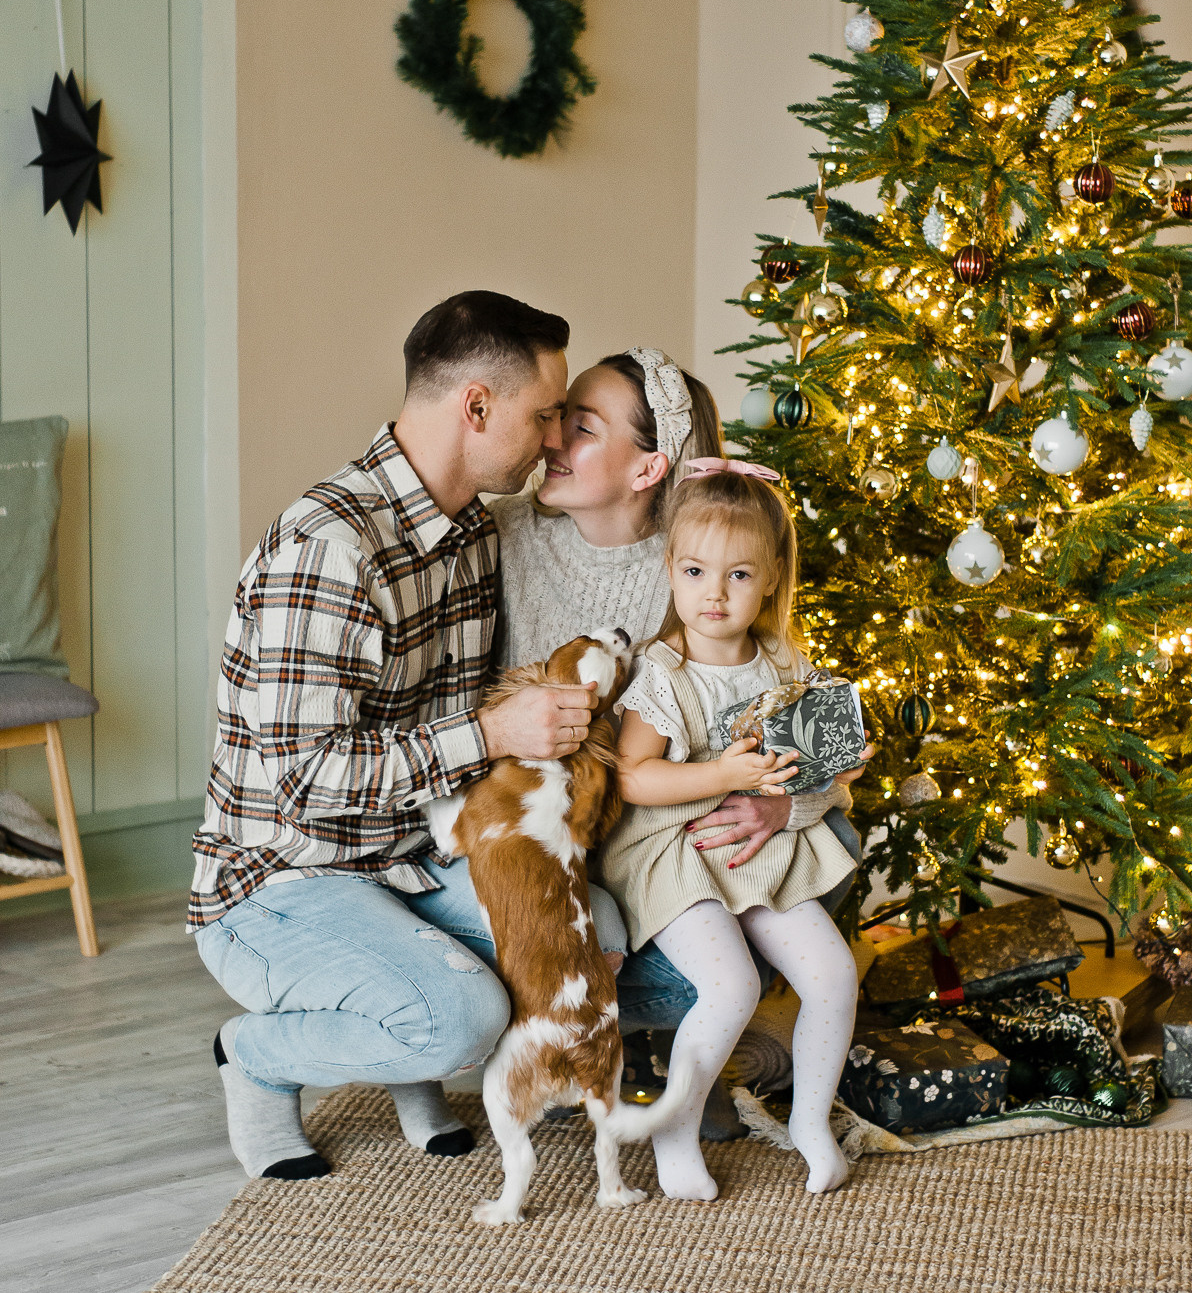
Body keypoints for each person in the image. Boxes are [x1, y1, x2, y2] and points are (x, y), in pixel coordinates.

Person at [190, 291, 608, 1179]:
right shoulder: (328, 547)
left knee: (594, 925)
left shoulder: (469, 534)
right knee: (459, 1025)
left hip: (404, 858)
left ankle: (411, 1043)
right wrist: (490, 731)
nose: (551, 442)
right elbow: (305, 783)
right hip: (279, 881)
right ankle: (254, 1059)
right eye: (542, 417)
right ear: (477, 407)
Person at [482, 349, 863, 1136]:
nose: (549, 439)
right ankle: (599, 1045)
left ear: (649, 465)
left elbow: (797, 719)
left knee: (826, 839)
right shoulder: (502, 537)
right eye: (555, 419)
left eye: (578, 427)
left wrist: (781, 803)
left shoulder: (706, 563)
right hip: (572, 827)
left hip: (681, 823)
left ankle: (691, 1049)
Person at [600, 461, 867, 1202]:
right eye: (695, 570)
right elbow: (633, 777)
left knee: (833, 974)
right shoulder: (664, 673)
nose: (714, 593)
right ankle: (675, 1129)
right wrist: (725, 775)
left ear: (774, 578)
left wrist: (832, 766)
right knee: (730, 985)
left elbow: (820, 781)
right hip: (675, 852)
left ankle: (810, 1122)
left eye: (739, 574)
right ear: (670, 570)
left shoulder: (784, 663)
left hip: (761, 848)